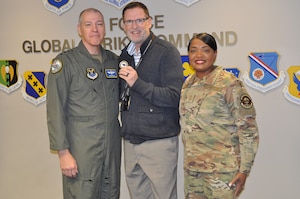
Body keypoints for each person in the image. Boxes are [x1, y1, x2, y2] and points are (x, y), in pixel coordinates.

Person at [46, 8, 121, 199]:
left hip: (111, 148)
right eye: (89, 24)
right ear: (79, 29)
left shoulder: (113, 61)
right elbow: (55, 110)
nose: (95, 29)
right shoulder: (65, 62)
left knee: (111, 193)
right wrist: (63, 154)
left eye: (99, 24)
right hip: (82, 150)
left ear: (105, 28)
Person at [180, 33, 259, 199]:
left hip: (221, 172)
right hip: (193, 172)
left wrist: (244, 170)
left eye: (205, 50)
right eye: (193, 51)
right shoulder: (187, 84)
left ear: (215, 54)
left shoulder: (229, 83)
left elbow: (248, 128)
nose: (199, 55)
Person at [118, 2, 183, 199]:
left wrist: (138, 83)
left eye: (139, 20)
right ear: (123, 25)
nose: (134, 26)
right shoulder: (125, 54)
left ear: (150, 22)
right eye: (129, 21)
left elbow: (174, 97)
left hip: (159, 144)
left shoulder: (166, 51)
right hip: (130, 142)